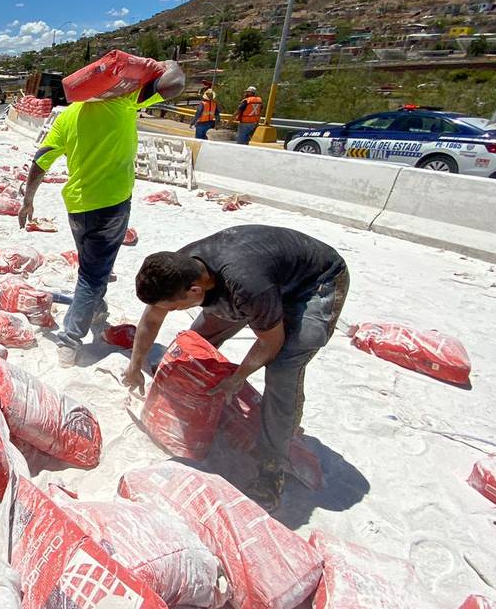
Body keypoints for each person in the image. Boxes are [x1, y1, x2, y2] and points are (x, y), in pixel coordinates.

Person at [124, 225, 349, 511]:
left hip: (316, 283)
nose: (171, 312)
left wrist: (237, 378)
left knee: (282, 371)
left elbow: (271, 341)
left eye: (175, 308)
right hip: (259, 280)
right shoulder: (176, 268)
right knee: (196, 343)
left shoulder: (246, 286)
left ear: (194, 290)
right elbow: (152, 318)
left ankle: (272, 467)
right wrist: (134, 365)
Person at [19, 60, 185, 367]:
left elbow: (41, 159)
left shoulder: (67, 116)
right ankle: (70, 340)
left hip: (78, 208)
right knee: (92, 276)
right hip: (110, 206)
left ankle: (97, 313)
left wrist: (28, 199)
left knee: (94, 267)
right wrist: (167, 63)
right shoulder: (123, 101)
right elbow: (174, 84)